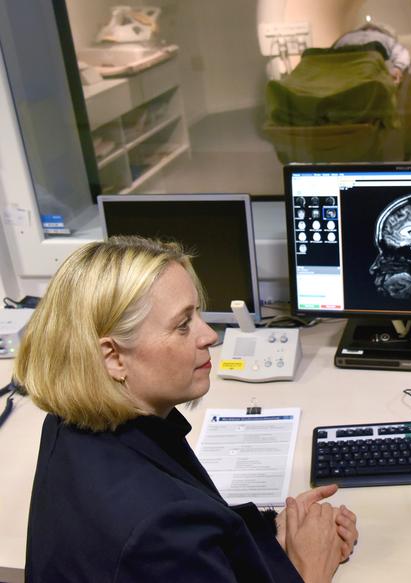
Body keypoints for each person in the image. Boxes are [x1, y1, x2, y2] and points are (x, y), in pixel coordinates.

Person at [15, 236, 358, 582]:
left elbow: (194, 531)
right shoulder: (157, 530)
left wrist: (276, 528)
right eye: (183, 325)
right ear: (114, 357)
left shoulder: (71, 425)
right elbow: (167, 531)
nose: (209, 335)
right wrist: (311, 564)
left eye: (198, 315)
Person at [333, 21, 411, 83]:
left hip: (345, 61)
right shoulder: (386, 38)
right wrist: (398, 68)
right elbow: (401, 53)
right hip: (370, 60)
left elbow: (332, 51)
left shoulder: (346, 36)